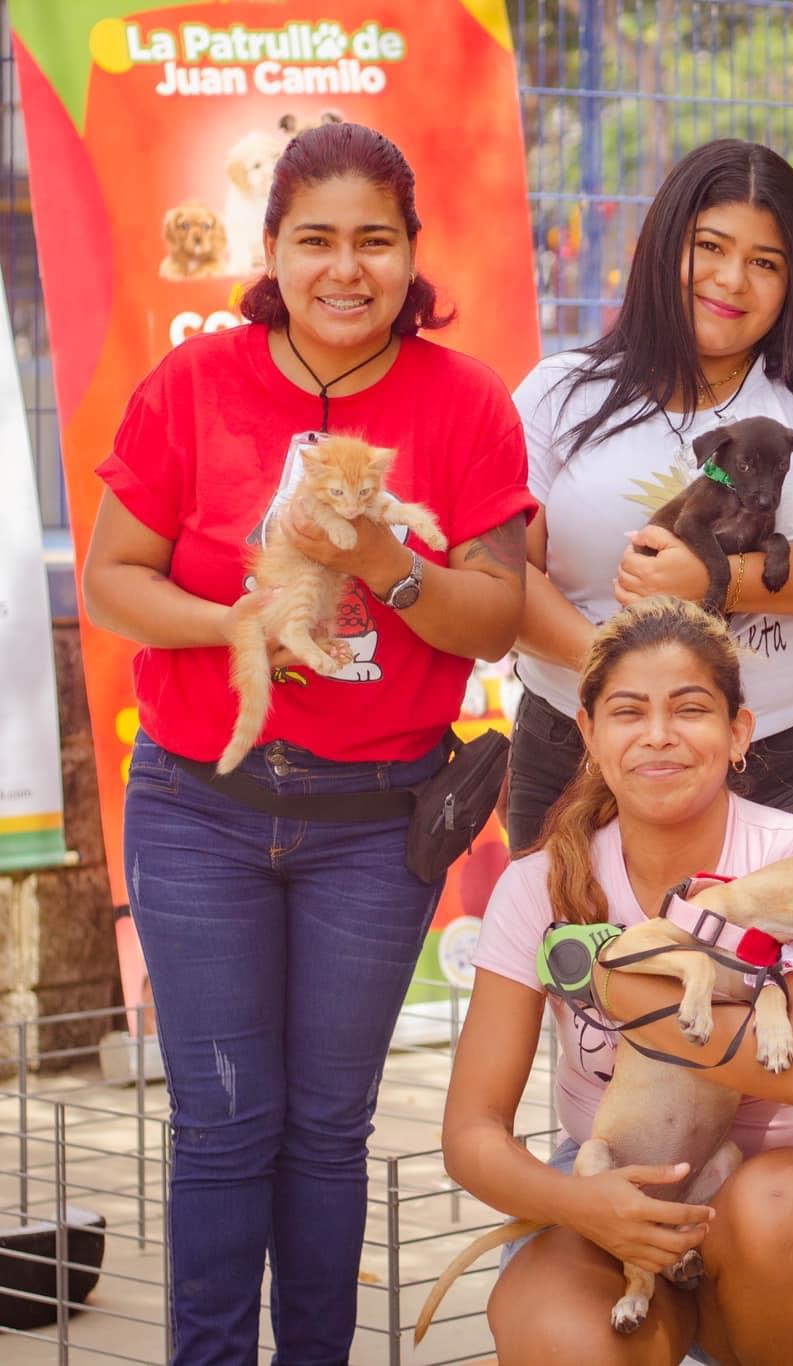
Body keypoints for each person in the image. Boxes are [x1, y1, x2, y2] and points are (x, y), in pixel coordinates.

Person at [80, 121, 533, 1361]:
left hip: (376, 822)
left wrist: (383, 564)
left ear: (411, 253)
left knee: (328, 1127)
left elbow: (495, 614)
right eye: (316, 240)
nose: (346, 268)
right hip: (200, 805)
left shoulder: (464, 400)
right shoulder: (193, 383)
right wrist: (237, 626)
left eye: (373, 241)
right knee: (224, 1126)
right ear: (272, 250)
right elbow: (115, 579)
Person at [445, 596, 793, 1365]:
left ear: (737, 732)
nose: (658, 736)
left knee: (779, 1201)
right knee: (555, 1330)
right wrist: (582, 1203)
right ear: (587, 734)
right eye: (628, 712)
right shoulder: (541, 883)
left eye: (690, 709)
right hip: (612, 1191)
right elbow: (470, 1133)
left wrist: (623, 987)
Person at [507, 138, 793, 850]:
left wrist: (719, 581)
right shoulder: (559, 393)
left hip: (790, 762)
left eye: (766, 263)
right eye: (710, 247)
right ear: (665, 245)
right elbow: (505, 571)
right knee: (584, 961)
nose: (733, 280)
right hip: (583, 756)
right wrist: (628, 686)